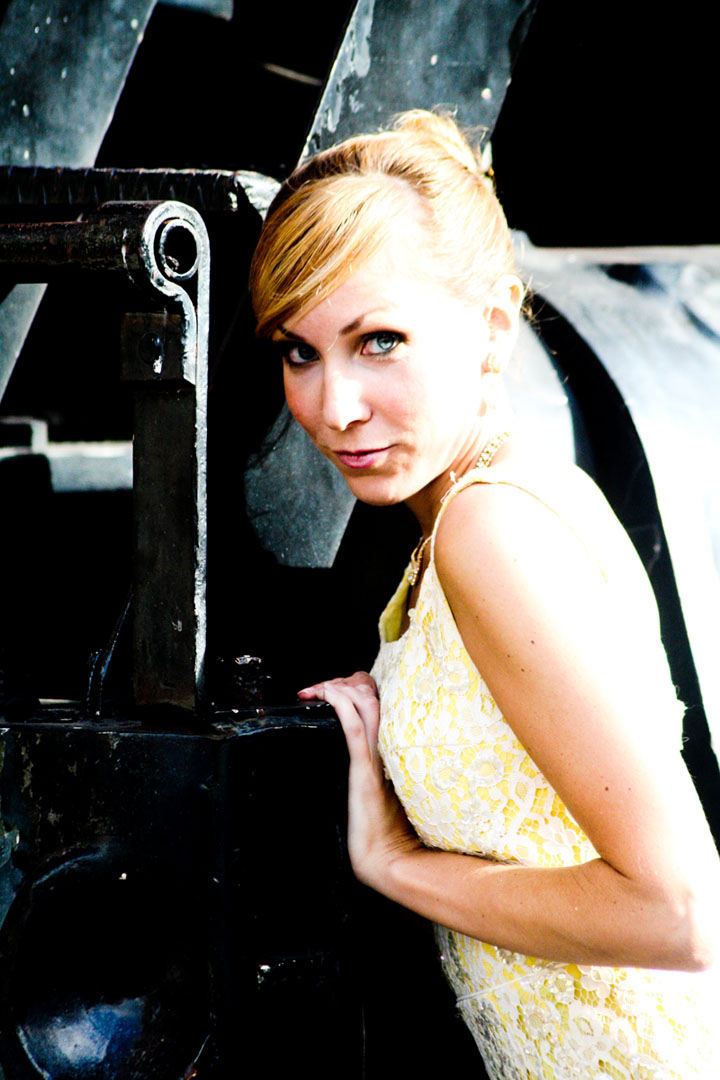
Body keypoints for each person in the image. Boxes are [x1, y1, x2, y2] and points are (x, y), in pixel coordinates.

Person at [249, 110, 720, 1078]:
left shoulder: (488, 528)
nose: (333, 407)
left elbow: (681, 913)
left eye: (378, 341)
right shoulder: (510, 497)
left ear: (492, 328)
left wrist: (397, 866)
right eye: (299, 351)